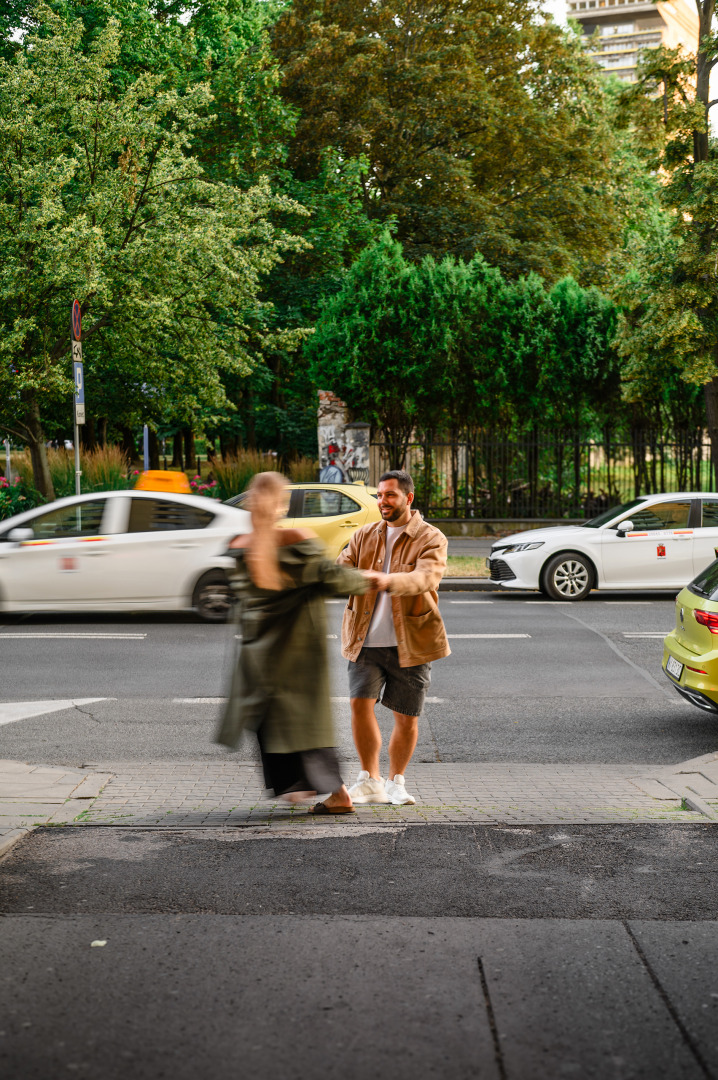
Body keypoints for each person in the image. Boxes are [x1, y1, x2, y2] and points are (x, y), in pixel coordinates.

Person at [215, 471, 379, 815]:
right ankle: (335, 794)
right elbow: (332, 579)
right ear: (282, 504)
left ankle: (295, 786)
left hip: (257, 654)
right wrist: (371, 579)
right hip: (298, 652)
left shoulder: (239, 547)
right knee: (307, 723)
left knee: (271, 720)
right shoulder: (296, 539)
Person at [337, 469, 450, 806]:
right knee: (360, 706)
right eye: (380, 495)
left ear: (408, 498)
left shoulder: (431, 537)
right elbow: (341, 569)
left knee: (406, 716)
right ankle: (369, 779)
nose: (382, 501)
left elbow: (425, 578)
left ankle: (396, 781)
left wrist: (388, 581)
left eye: (390, 495)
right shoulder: (364, 535)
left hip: (411, 641)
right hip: (364, 638)